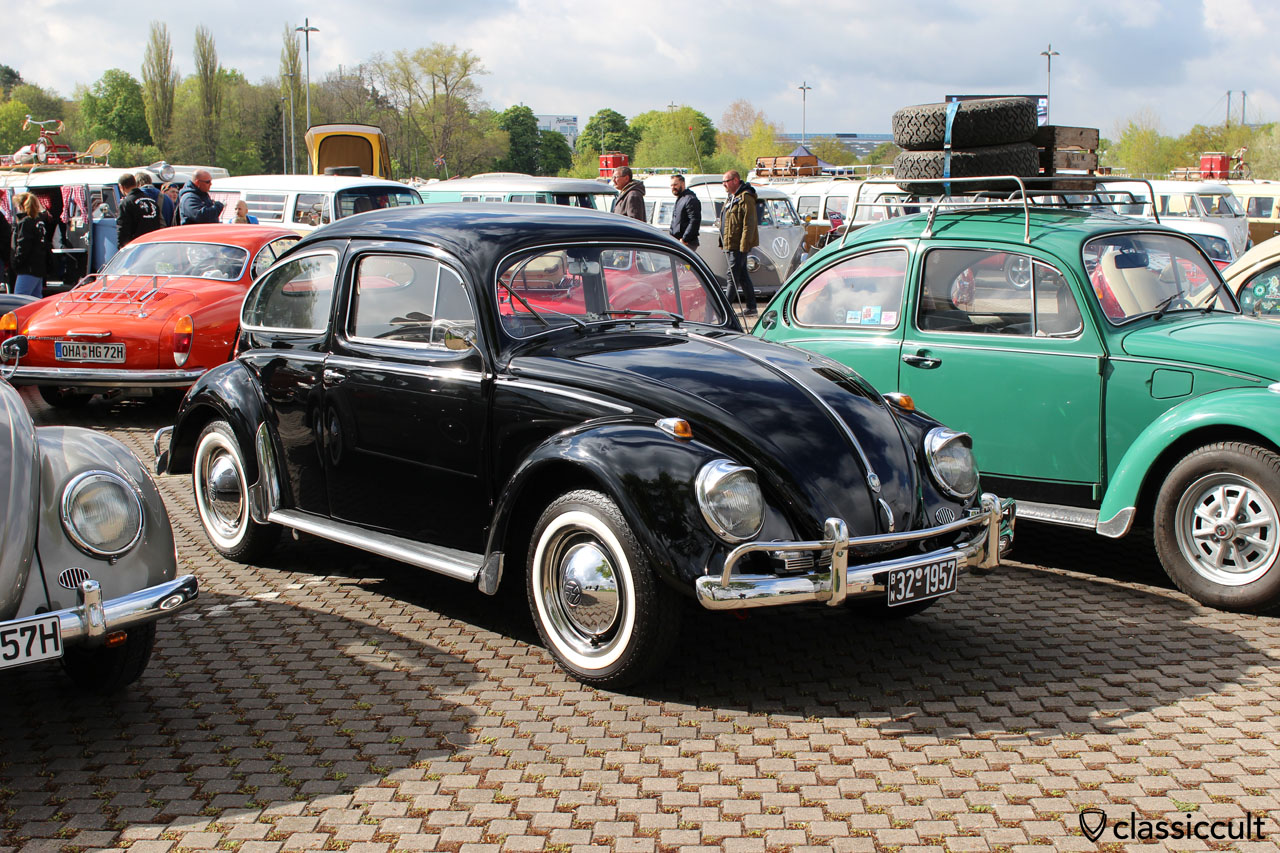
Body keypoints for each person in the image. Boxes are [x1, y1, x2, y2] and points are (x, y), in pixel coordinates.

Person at [719, 170, 759, 315]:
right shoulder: (731, 198)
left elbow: (749, 223)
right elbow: (726, 221)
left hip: (738, 245)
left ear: (735, 180)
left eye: (726, 181)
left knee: (732, 276)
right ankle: (752, 307)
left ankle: (724, 308)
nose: (724, 184)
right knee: (742, 275)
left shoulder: (745, 197)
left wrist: (744, 245)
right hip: (730, 243)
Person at [10, 193, 49, 297]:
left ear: (20, 206)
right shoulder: (39, 222)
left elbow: (23, 246)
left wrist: (15, 262)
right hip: (39, 266)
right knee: (35, 299)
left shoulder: (25, 222)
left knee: (20, 298)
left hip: (27, 268)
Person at [116, 173, 165, 248]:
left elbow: (123, 230)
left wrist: (122, 249)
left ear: (121, 187)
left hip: (136, 248)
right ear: (135, 184)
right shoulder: (151, 201)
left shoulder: (126, 203)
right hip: (152, 246)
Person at [668, 174, 701, 249]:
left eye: (675, 184)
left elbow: (694, 220)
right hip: (677, 242)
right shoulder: (681, 199)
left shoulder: (690, 199)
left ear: (683, 183)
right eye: (671, 185)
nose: (673, 187)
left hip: (686, 243)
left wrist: (685, 239)